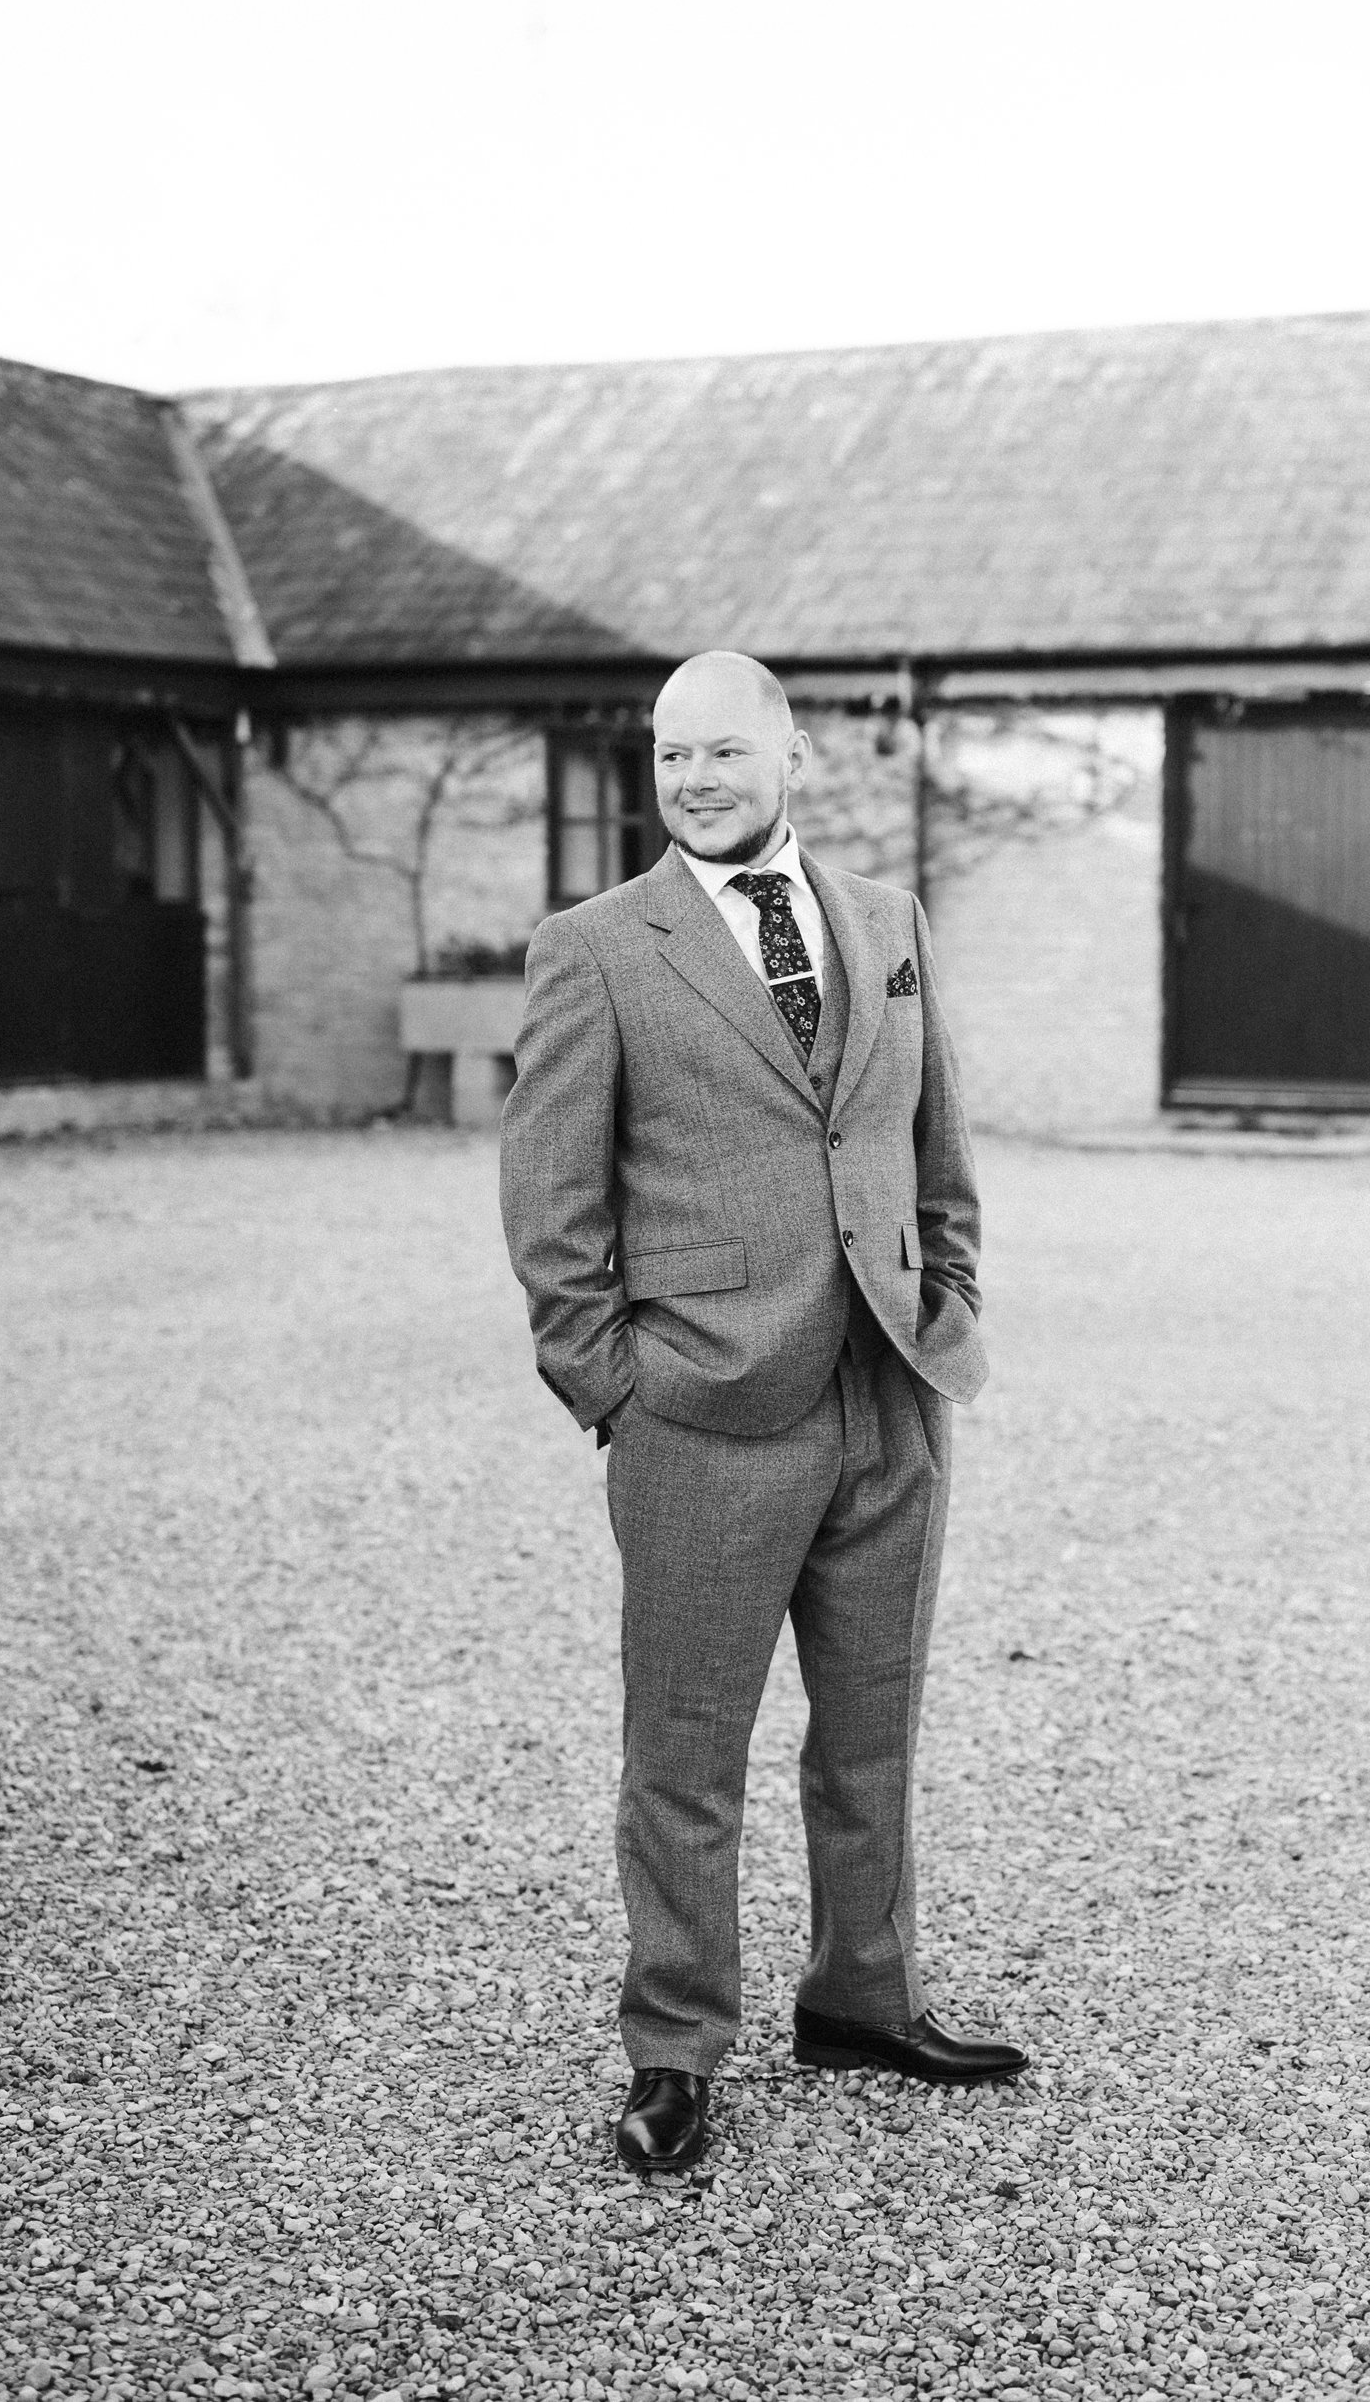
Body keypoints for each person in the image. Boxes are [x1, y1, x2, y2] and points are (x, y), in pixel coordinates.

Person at [499, 650, 1026, 2174]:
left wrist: (952, 1313)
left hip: (890, 1398)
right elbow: (550, 1204)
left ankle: (865, 1997)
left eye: (725, 752)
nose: (697, 781)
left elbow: (943, 1153)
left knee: (871, 1736)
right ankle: (674, 2049)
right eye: (672, 759)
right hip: (702, 1420)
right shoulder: (598, 949)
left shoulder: (888, 921)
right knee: (686, 1752)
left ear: (791, 755)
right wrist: (617, 1388)